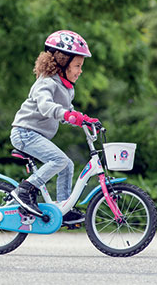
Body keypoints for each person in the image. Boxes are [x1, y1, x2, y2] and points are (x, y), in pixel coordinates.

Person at [10, 30, 99, 224]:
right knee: (59, 160)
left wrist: (83, 119)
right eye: (77, 65)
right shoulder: (46, 83)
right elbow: (46, 107)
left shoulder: (67, 88)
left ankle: (63, 207)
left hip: (35, 135)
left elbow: (67, 112)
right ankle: (25, 190)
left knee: (67, 164)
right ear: (62, 62)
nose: (80, 70)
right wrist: (67, 114)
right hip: (24, 133)